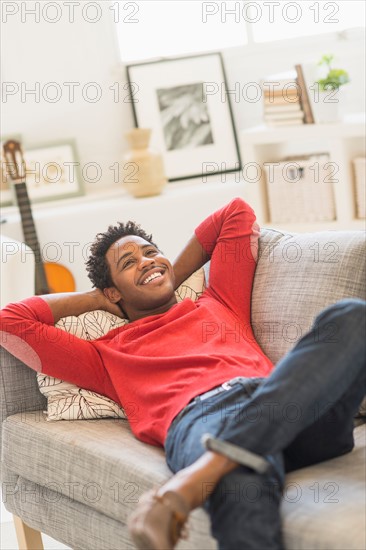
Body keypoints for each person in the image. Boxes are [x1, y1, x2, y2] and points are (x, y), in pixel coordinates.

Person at [0, 197, 365, 550]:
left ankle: (197, 478)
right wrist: (97, 298)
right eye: (129, 263)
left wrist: (166, 271)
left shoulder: (219, 301)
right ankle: (222, 464)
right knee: (239, 486)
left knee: (353, 316)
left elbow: (234, 213)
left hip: (284, 405)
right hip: (204, 418)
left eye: (150, 251)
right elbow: (10, 321)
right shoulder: (105, 354)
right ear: (112, 291)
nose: (146, 261)